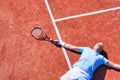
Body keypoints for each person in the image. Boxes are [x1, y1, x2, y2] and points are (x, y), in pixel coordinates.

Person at [52, 40, 120, 80]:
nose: (99, 45)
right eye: (98, 44)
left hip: (85, 75)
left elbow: (113, 65)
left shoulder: (101, 58)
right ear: (94, 46)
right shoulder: (86, 49)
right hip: (76, 70)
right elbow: (73, 47)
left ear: (101, 50)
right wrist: (61, 43)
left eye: (101, 46)